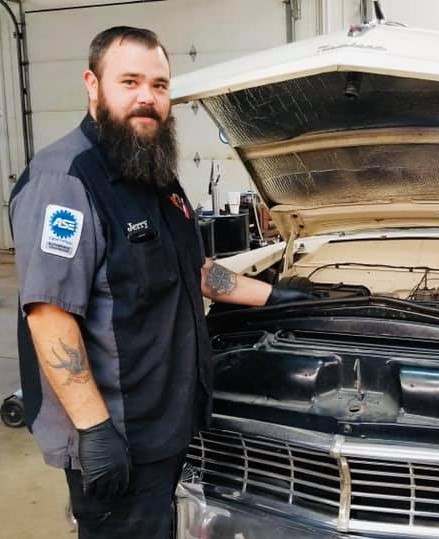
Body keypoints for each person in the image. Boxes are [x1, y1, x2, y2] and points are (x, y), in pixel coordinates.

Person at [9, 26, 314, 539]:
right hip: (117, 431)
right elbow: (49, 314)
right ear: (92, 84)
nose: (147, 98)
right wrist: (94, 429)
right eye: (129, 82)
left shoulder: (152, 173)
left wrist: (277, 295)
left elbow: (190, 270)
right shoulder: (65, 180)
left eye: (159, 85)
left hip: (165, 420)